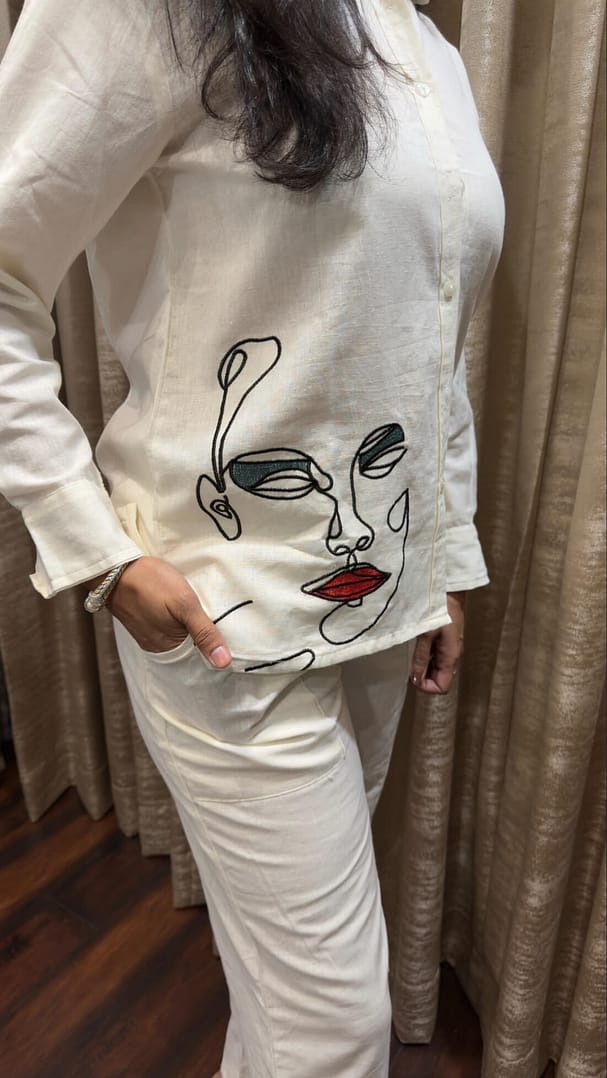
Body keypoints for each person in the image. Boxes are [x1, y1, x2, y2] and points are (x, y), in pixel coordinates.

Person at [0, 0, 505, 1074]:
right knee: (334, 1028)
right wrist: (96, 549)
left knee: (287, 990)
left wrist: (441, 563)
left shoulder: (424, 46)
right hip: (220, 618)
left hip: (376, 600)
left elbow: (428, 344)